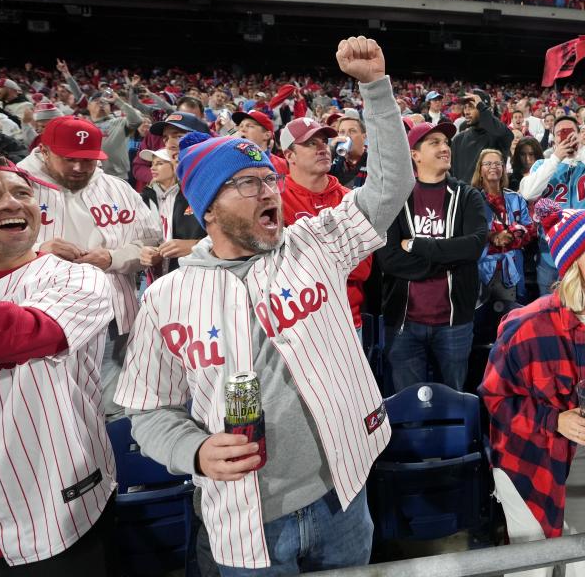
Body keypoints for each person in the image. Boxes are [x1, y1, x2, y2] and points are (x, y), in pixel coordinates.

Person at [113, 36, 414, 574]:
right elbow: (148, 411)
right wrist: (195, 452)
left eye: (269, 179)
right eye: (247, 184)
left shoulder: (313, 243)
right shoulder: (166, 298)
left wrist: (375, 88)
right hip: (246, 519)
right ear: (207, 209)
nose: (269, 192)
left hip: (341, 495)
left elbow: (391, 188)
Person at [0, 149, 117, 574]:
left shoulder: (74, 277)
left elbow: (25, 334)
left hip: (53, 514)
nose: (10, 202)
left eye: (22, 192)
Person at [479, 199, 585, 577]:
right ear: (575, 262)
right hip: (532, 464)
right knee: (533, 569)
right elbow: (496, 399)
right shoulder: (528, 325)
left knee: (583, 560)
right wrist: (555, 420)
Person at [17, 116, 160, 419]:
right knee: (55, 416)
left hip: (116, 321)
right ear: (44, 151)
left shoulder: (117, 189)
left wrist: (112, 258)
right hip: (45, 325)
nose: (80, 168)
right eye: (69, 159)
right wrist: (37, 253)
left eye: (89, 160)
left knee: (114, 410)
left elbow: (151, 243)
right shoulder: (15, 188)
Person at [377, 119, 487, 392]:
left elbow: (473, 247)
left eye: (446, 142)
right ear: (414, 154)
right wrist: (448, 260)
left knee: (455, 401)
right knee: (408, 404)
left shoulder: (467, 196)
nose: (444, 147)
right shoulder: (395, 199)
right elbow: (388, 259)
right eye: (434, 142)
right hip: (404, 323)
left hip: (454, 322)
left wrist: (416, 246)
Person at [279, 116, 373, 341]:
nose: (323, 148)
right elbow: (278, 269)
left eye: (323, 141)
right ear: (289, 155)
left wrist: (307, 252)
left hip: (347, 320)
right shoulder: (274, 200)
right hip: (296, 326)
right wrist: (337, 252)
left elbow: (362, 269)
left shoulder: (350, 199)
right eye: (311, 143)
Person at [519, 115, 585, 294]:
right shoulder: (543, 164)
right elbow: (528, 193)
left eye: (570, 132)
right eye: (560, 133)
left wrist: (582, 150)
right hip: (550, 253)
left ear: (579, 135)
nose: (566, 137)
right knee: (550, 310)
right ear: (553, 138)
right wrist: (556, 157)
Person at [472, 148, 535, 303]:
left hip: (512, 267)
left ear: (503, 169)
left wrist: (512, 235)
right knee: (480, 321)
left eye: (497, 163)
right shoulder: (471, 200)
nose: (493, 166)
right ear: (480, 170)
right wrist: (492, 237)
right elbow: (467, 234)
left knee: (510, 319)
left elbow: (531, 231)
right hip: (481, 269)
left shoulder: (516, 198)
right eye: (487, 163)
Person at [138, 143, 205, 276]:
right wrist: (144, 250)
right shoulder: (145, 197)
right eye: (152, 164)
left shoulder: (191, 196)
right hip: (154, 274)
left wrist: (194, 245)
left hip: (190, 272)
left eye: (159, 163)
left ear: (175, 166)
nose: (153, 168)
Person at [450, 91, 514, 184]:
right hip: (464, 197)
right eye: (465, 107)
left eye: (471, 107)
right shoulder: (458, 140)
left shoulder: (497, 137)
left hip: (489, 197)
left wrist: (482, 108)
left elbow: (507, 135)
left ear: (483, 108)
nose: (466, 112)